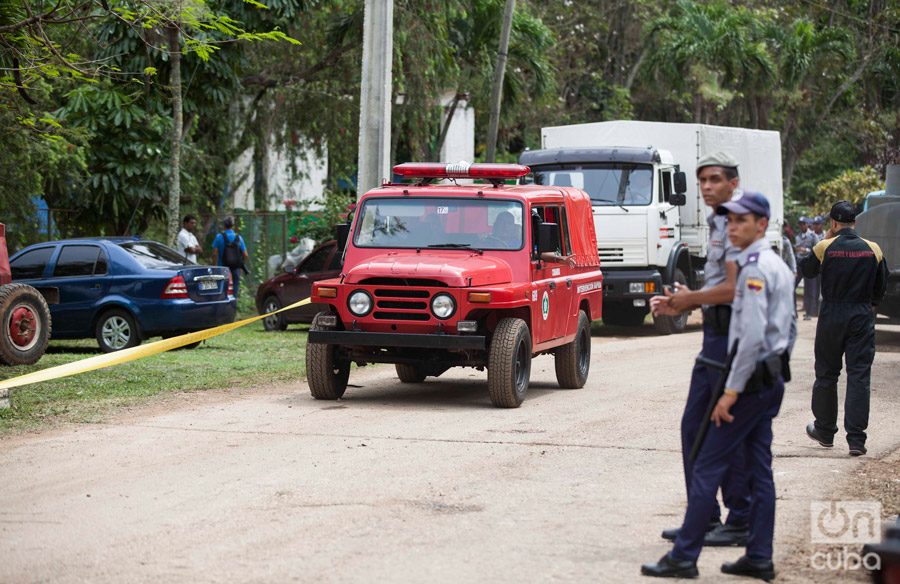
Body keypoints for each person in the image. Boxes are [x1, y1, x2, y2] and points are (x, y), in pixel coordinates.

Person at [642, 192, 796, 580]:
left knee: (708, 461)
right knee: (759, 469)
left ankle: (684, 556)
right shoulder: (773, 265)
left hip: (749, 382)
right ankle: (759, 555)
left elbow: (752, 338)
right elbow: (788, 330)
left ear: (762, 224)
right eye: (729, 221)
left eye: (742, 220)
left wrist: (730, 392)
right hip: (768, 378)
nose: (733, 226)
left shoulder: (756, 269)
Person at [650, 152, 751, 547]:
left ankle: (739, 518)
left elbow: (735, 287)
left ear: (733, 183)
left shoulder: (736, 225)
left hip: (730, 339)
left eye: (715, 179)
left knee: (723, 428)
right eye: (702, 180)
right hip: (713, 337)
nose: (706, 186)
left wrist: (690, 300)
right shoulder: (717, 223)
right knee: (694, 427)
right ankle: (704, 517)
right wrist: (690, 299)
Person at [800, 200, 888, 457]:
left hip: (832, 315)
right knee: (859, 375)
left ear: (833, 223)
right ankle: (856, 441)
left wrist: (826, 239)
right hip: (861, 314)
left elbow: (806, 271)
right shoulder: (873, 249)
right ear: (855, 223)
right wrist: (868, 305)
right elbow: (880, 286)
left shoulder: (824, 246)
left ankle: (825, 431)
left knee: (827, 373)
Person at [212, 215, 249, 298]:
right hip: (235, 268)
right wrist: (241, 265)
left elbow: (214, 254)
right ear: (233, 225)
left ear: (224, 224)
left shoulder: (219, 237)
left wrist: (214, 266)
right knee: (234, 289)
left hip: (222, 268)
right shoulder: (238, 238)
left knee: (222, 289)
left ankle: (222, 307)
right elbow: (245, 255)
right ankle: (233, 306)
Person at [794, 216, 818, 320]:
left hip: (808, 263)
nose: (802, 226)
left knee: (809, 289)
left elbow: (817, 249)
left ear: (807, 224)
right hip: (799, 263)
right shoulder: (797, 237)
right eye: (800, 224)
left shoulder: (813, 236)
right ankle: (793, 311)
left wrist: (806, 251)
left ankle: (808, 313)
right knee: (792, 287)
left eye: (804, 223)